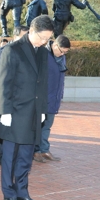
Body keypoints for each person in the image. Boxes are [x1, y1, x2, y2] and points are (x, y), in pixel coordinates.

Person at [0, 15, 52, 200]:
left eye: (48, 39)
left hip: (33, 112)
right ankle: (9, 194)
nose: (45, 42)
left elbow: (44, 83)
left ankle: (22, 192)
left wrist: (43, 109)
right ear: (31, 30)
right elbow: (4, 81)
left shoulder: (43, 52)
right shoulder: (12, 50)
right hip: (15, 111)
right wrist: (5, 111)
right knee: (10, 156)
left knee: (26, 156)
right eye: (43, 37)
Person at [0, 25, 29, 164]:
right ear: (16, 36)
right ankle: (3, 156)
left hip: (20, 101)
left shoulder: (29, 52)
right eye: (24, 35)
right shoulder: (3, 52)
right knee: (3, 130)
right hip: (4, 99)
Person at [34, 35, 70, 163]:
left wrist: (60, 95)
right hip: (42, 98)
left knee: (47, 126)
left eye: (66, 52)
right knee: (38, 125)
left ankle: (44, 150)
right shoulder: (42, 54)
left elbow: (61, 78)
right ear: (55, 46)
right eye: (62, 51)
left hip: (54, 98)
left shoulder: (61, 58)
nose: (63, 54)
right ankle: (36, 151)